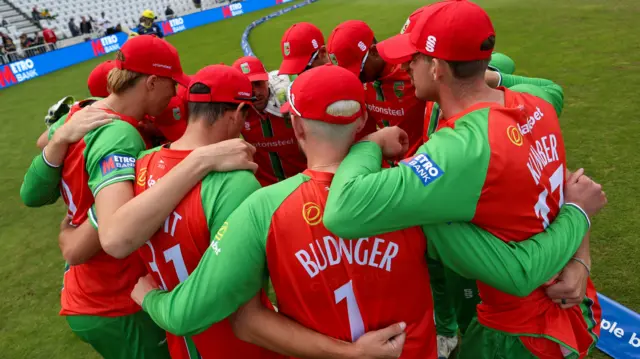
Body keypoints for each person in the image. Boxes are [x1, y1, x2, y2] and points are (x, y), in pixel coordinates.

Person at [129, 65, 603, 359]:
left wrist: (150, 297)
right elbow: (516, 253)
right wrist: (578, 246)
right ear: (361, 119)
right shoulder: (416, 198)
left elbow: (203, 315)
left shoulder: (261, 206)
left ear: (293, 124)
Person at [323, 1, 604, 358]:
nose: (406, 65)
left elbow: (343, 210)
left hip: (519, 334)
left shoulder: (460, 150)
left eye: (415, 57)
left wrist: (370, 144)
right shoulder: (538, 104)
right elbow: (550, 88)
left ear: (437, 67)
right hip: (562, 306)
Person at [20, 35, 191, 359]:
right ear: (152, 82)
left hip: (90, 291)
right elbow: (107, 234)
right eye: (172, 84)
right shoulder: (119, 135)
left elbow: (31, 192)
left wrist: (56, 140)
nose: (174, 94)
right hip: (115, 296)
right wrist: (75, 239)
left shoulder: (83, 112)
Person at [327, 20, 426, 159]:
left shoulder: (412, 72)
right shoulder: (359, 83)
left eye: (358, 71)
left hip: (422, 165)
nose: (356, 79)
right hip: (386, 169)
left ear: (373, 52)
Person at [232, 56, 307, 186]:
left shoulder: (291, 102)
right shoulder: (236, 113)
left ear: (267, 81)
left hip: (304, 181)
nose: (255, 92)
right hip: (265, 188)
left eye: (258, 84)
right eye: (248, 86)